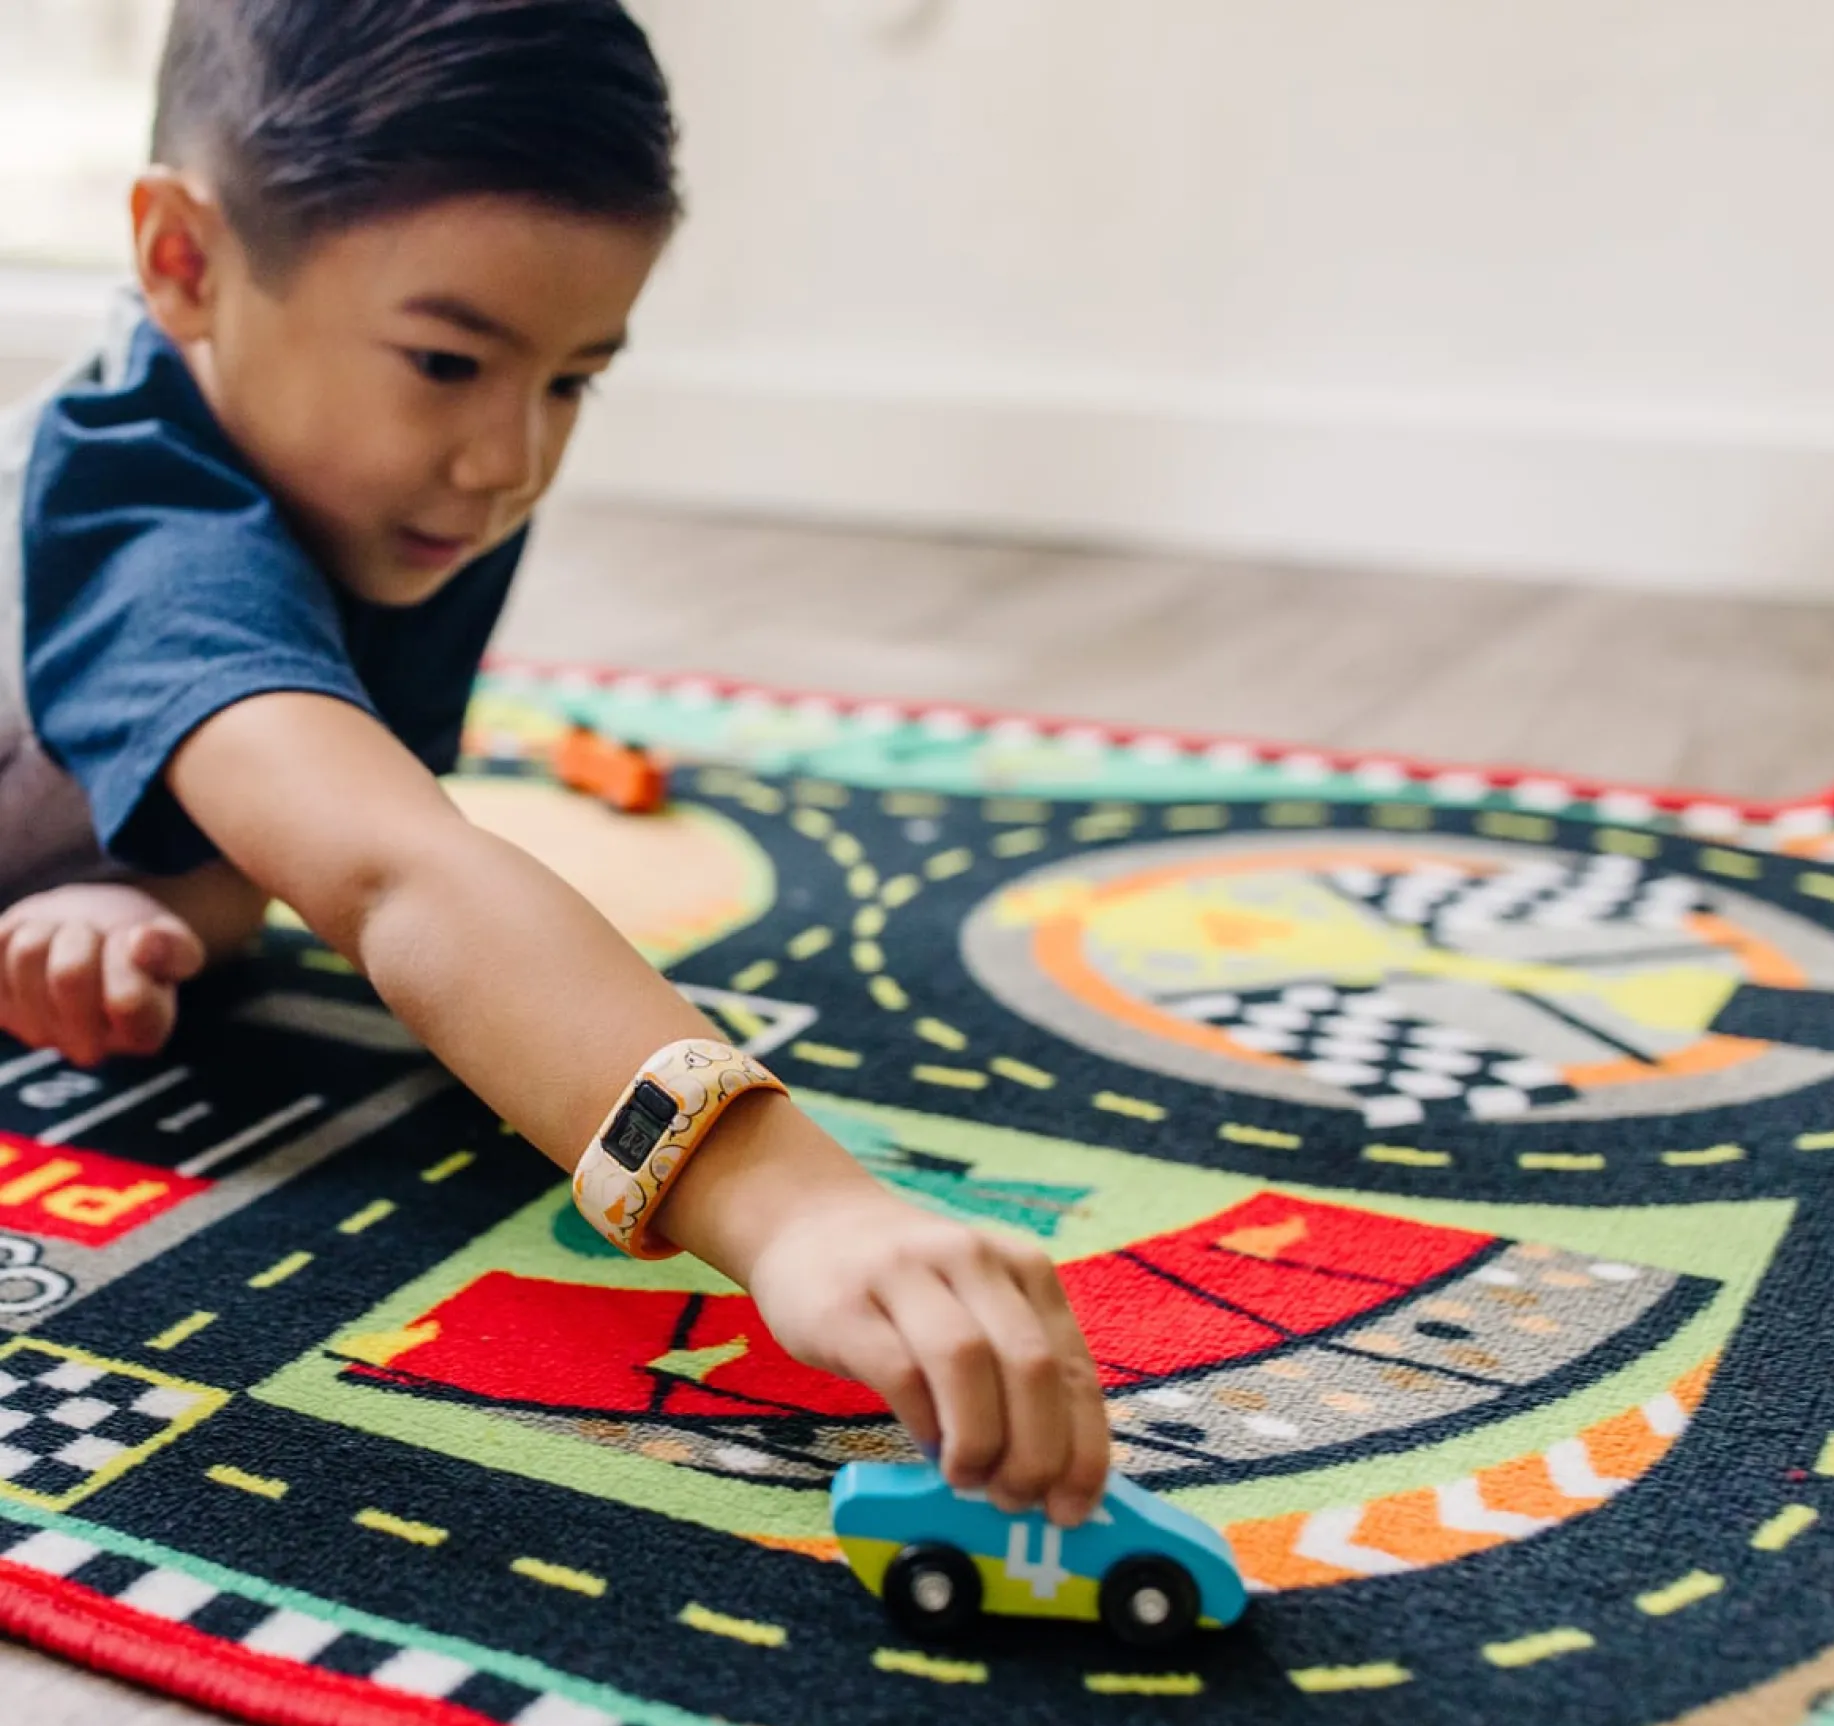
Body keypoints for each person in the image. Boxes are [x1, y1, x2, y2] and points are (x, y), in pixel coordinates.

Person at [0, 0, 1108, 1529]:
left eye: (573, 378)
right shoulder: (153, 540)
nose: (511, 458)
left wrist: (176, 896)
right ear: (184, 261)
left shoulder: (377, 475)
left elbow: (321, 818)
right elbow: (394, 874)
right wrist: (794, 1203)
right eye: (449, 361)